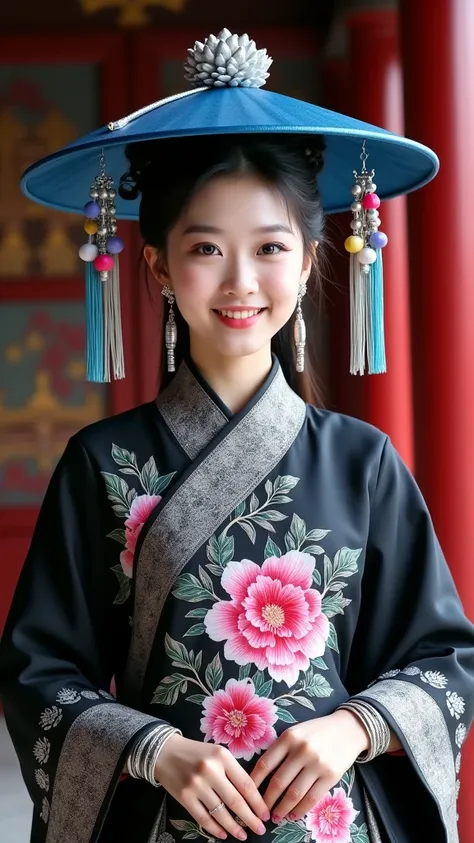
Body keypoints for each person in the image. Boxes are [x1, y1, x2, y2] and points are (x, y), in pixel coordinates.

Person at [0, 28, 472, 843]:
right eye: (205, 249)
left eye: (270, 248)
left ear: (312, 258)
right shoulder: (103, 462)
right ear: (156, 267)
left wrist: (352, 726)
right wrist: (155, 749)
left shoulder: (363, 462)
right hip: (160, 822)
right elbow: (39, 671)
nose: (240, 282)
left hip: (328, 825)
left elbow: (443, 659)